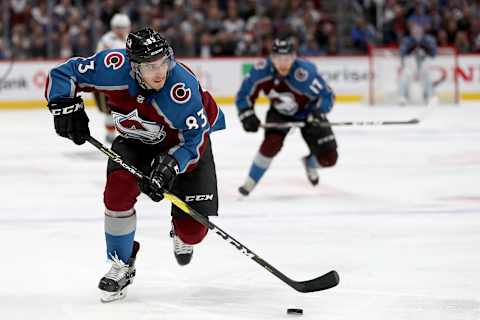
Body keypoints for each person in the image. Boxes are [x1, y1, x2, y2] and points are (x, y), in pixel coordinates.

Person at [44, 27, 225, 302]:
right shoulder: (112, 67)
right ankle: (121, 263)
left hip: (185, 147)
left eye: (164, 62)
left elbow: (195, 140)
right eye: (151, 66)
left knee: (194, 233)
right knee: (117, 192)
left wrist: (171, 165)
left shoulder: (181, 88)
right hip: (137, 140)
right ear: (133, 66)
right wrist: (64, 106)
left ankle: (181, 232)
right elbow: (63, 73)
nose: (160, 71)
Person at [235, 38, 337, 196]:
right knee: (271, 144)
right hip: (279, 113)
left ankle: (310, 162)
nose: (283, 64)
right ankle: (250, 182)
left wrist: (318, 112)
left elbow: (327, 96)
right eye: (278, 59)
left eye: (287, 59)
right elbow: (244, 95)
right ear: (271, 58)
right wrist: (246, 114)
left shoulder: (306, 73)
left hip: (309, 113)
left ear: (294, 57)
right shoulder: (260, 70)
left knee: (329, 158)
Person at [95, 13, 132, 143]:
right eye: (118, 27)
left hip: (127, 81)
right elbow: (99, 58)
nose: (120, 30)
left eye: (123, 27)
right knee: (110, 110)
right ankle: (110, 135)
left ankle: (128, 134)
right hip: (109, 81)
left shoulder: (131, 40)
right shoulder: (106, 40)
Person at [398, 23, 437, 105]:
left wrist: (425, 47)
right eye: (414, 31)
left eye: (419, 31)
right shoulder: (407, 40)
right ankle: (402, 96)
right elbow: (402, 53)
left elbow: (433, 54)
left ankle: (430, 96)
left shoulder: (428, 39)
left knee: (428, 76)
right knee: (404, 76)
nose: (416, 32)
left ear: (422, 31)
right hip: (411, 65)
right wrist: (411, 48)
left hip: (423, 64)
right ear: (411, 32)